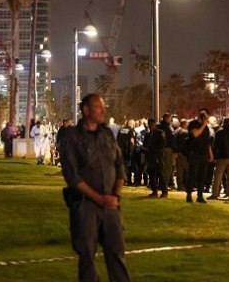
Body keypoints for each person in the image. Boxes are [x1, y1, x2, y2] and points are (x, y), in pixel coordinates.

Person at [60, 94, 129, 282]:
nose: (103, 111)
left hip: (111, 206)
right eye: (99, 107)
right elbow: (72, 176)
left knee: (117, 254)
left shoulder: (107, 135)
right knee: (87, 256)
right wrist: (99, 199)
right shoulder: (72, 137)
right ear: (86, 110)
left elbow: (119, 167)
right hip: (85, 206)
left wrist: (115, 195)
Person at [186, 109, 214, 203]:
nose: (207, 119)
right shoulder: (193, 124)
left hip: (204, 154)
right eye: (206, 117)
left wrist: (210, 154)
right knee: (193, 175)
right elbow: (195, 134)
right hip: (195, 153)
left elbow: (207, 141)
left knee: (202, 176)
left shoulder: (206, 127)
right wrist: (203, 125)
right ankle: (189, 194)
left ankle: (200, 195)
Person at [209, 118, 229, 199]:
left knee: (218, 176)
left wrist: (214, 156)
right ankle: (228, 193)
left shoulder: (219, 133)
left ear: (223, 123)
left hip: (221, 157)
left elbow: (215, 146)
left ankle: (215, 194)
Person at [144, 119, 168, 198]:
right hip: (151, 157)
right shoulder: (148, 135)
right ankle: (154, 191)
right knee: (151, 175)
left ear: (154, 124)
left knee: (161, 174)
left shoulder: (160, 133)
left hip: (158, 156)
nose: (151, 126)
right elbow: (145, 145)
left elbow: (162, 144)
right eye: (149, 125)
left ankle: (164, 192)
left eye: (152, 124)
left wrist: (153, 149)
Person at [158, 113, 176, 189]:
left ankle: (161, 183)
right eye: (170, 118)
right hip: (168, 149)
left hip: (160, 149)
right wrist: (175, 151)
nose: (171, 120)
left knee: (161, 167)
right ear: (166, 118)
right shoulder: (169, 128)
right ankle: (165, 184)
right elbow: (172, 140)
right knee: (168, 167)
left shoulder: (158, 126)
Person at [116, 120, 135, 186]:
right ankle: (127, 181)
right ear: (132, 125)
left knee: (121, 166)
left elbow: (117, 140)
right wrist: (131, 151)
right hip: (127, 151)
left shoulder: (121, 130)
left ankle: (121, 180)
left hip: (120, 150)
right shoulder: (131, 130)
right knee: (128, 166)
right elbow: (132, 141)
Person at [174, 120, 190, 191]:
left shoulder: (176, 131)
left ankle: (180, 185)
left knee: (179, 170)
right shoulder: (185, 132)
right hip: (183, 153)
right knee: (186, 169)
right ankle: (186, 185)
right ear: (185, 124)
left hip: (177, 153)